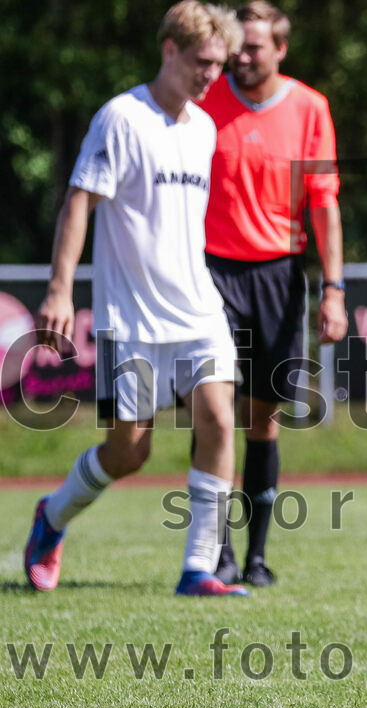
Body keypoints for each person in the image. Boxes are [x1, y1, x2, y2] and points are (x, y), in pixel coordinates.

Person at [25, 1, 248, 597]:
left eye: (218, 66)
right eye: (201, 61)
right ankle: (52, 516)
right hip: (133, 316)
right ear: (168, 50)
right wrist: (59, 288)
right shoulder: (120, 118)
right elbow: (79, 201)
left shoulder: (203, 128)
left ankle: (198, 568)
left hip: (199, 306)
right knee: (130, 451)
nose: (210, 75)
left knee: (220, 419)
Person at [199, 0, 347, 588]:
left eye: (253, 45)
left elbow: (324, 202)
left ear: (280, 48)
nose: (241, 55)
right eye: (236, 45)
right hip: (209, 272)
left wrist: (332, 289)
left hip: (281, 276)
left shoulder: (310, 108)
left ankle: (254, 558)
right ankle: (214, 556)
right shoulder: (204, 99)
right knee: (212, 414)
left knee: (264, 419)